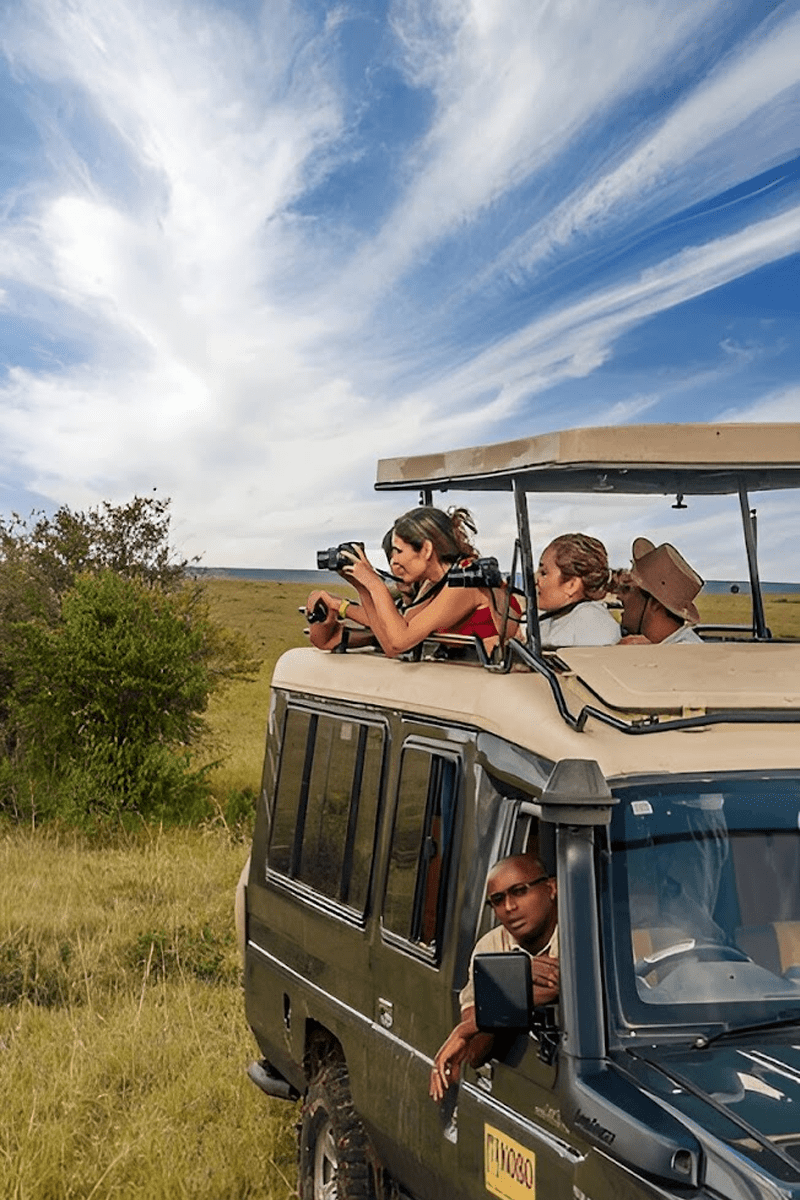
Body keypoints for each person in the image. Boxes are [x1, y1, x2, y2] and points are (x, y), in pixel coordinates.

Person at [429, 852, 558, 1102]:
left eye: (519, 891)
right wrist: (521, 983)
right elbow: (476, 1052)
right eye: (498, 900)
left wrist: (467, 1028)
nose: (509, 907)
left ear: (551, 888)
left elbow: (562, 986)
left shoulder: (582, 932)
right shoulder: (490, 948)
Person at [338, 506, 520, 658]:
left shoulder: (465, 581)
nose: (394, 561)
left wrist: (375, 584)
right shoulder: (434, 584)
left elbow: (399, 642)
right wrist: (362, 587)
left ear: (426, 549)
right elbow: (391, 643)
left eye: (398, 551)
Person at [535, 533, 620, 648]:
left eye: (544, 573)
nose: (537, 580)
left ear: (572, 585)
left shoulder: (593, 623)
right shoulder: (552, 618)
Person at [615, 538, 703, 645]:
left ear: (654, 604)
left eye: (628, 589)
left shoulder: (682, 650)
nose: (619, 597)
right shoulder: (678, 645)